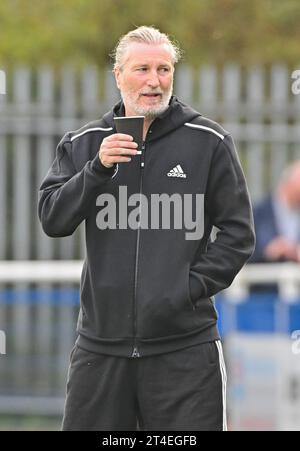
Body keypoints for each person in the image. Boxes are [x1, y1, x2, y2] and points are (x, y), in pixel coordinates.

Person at [38, 26, 255, 431]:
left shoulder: (209, 142)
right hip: (100, 351)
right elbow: (52, 219)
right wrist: (97, 170)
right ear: (118, 74)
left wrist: (184, 290)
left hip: (185, 351)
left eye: (164, 69)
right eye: (142, 69)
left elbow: (238, 235)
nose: (154, 81)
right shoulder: (85, 143)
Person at [250, 161, 300, 263]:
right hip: (264, 275)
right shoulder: (259, 211)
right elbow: (246, 249)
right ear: (288, 184)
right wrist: (270, 250)